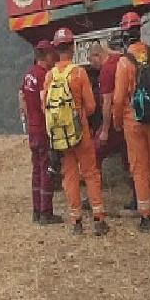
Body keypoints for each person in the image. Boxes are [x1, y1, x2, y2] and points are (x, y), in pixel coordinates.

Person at [43, 27, 109, 235]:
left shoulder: (49, 76)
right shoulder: (79, 73)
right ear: (72, 47)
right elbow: (91, 106)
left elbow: (43, 105)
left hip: (60, 136)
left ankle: (76, 222)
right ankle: (98, 220)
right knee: (90, 173)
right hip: (80, 133)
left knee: (69, 176)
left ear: (56, 49)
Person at [113, 12, 150, 232]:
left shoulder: (124, 63)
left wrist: (118, 122)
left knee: (139, 168)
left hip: (133, 120)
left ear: (125, 35)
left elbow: (118, 100)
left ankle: (146, 217)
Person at [19, 40, 63, 225]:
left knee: (36, 169)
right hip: (44, 128)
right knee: (47, 170)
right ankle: (46, 212)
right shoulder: (44, 76)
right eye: (52, 55)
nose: (54, 58)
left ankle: (36, 211)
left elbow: (21, 97)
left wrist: (26, 119)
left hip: (32, 128)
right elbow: (45, 104)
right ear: (46, 56)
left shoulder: (28, 74)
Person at [90, 39, 135, 209]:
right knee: (130, 157)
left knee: (95, 152)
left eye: (91, 60)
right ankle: (138, 197)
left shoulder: (106, 70)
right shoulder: (120, 60)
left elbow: (108, 103)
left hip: (117, 120)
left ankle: (94, 198)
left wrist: (105, 131)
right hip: (130, 118)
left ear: (97, 55)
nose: (92, 64)